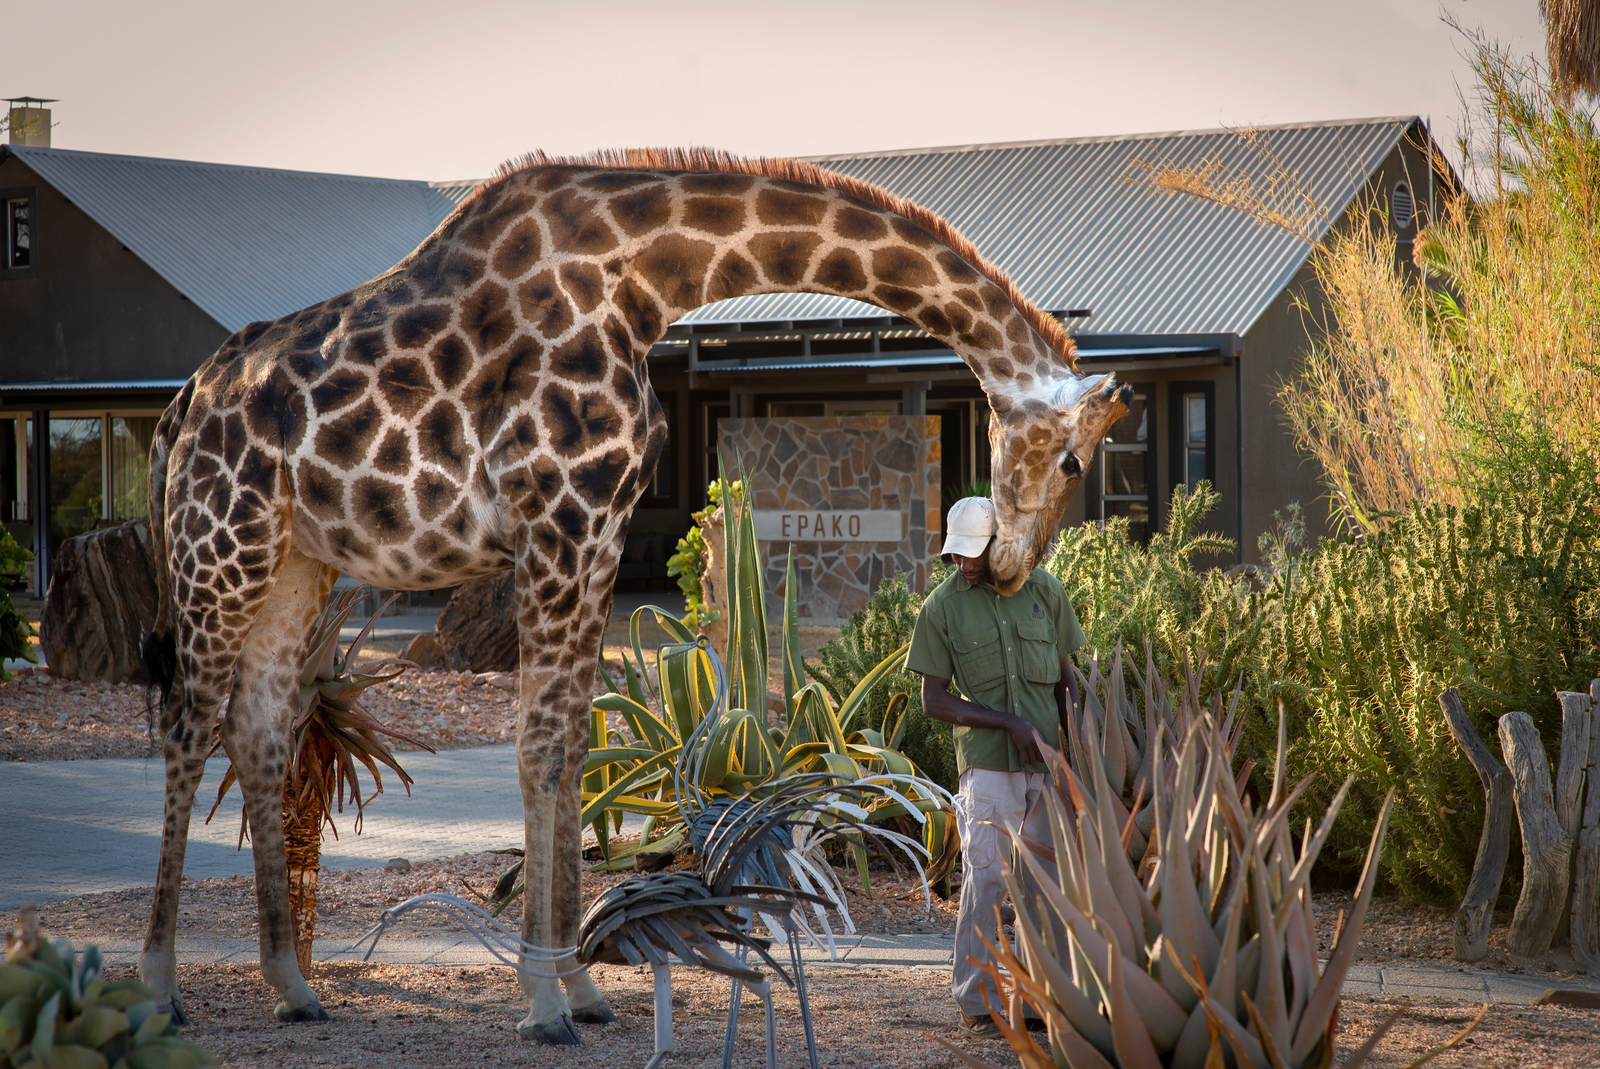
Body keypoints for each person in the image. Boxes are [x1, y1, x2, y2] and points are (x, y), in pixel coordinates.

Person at [906, 496, 1085, 1037]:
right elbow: (933, 701)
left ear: (999, 544)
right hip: (987, 767)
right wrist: (1008, 724)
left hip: (1046, 768)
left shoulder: (1045, 592)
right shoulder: (941, 607)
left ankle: (1036, 1001)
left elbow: (1064, 677)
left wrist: (1074, 743)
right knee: (985, 880)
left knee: (1042, 884)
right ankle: (978, 1000)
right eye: (957, 555)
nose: (965, 564)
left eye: (974, 553)